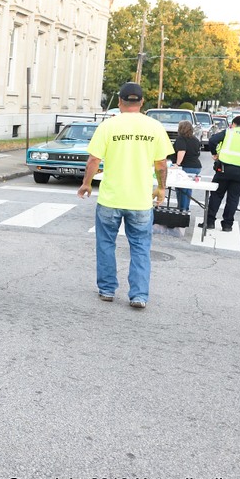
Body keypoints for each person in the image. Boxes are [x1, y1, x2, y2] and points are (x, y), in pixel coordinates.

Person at [77, 82, 173, 309]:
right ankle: (139, 295)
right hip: (140, 200)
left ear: (119, 102)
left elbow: (93, 160)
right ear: (141, 103)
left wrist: (86, 184)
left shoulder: (108, 126)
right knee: (140, 247)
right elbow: (161, 164)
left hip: (111, 198)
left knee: (106, 244)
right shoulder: (155, 127)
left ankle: (107, 290)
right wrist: (161, 188)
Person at [199, 114, 240, 232]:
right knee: (233, 198)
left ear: (234, 124)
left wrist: (214, 154)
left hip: (224, 169)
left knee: (216, 195)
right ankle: (227, 225)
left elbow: (212, 140)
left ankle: (210, 222)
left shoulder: (229, 132)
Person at [170, 119, 202, 211]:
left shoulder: (181, 139)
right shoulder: (195, 139)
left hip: (186, 166)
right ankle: (185, 208)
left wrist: (177, 164)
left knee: (181, 190)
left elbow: (182, 151)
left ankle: (181, 209)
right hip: (196, 166)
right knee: (188, 189)